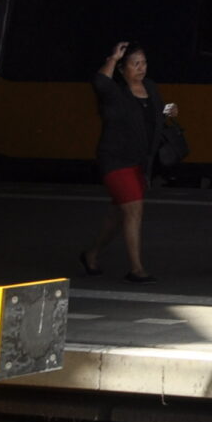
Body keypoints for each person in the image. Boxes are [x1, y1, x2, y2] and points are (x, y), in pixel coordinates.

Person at [82, 41, 171, 281]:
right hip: (116, 160)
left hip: (140, 161)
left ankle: (92, 254)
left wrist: (169, 111)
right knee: (134, 210)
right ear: (122, 69)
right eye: (135, 64)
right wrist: (112, 58)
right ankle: (136, 269)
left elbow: (157, 112)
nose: (141, 68)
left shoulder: (150, 87)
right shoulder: (115, 92)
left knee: (118, 215)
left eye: (143, 63)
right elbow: (99, 82)